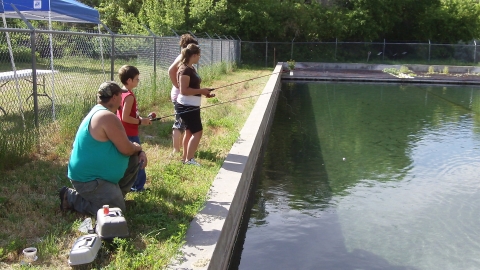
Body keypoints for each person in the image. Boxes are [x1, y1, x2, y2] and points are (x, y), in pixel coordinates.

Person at [59, 81, 148, 215]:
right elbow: (127, 149)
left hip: (96, 176)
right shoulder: (106, 117)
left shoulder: (100, 112)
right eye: (120, 96)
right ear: (114, 97)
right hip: (88, 180)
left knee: (134, 158)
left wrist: (138, 151)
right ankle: (71, 198)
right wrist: (138, 148)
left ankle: (115, 197)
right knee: (115, 212)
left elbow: (124, 144)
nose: (121, 100)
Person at [176, 44, 215, 166]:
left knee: (189, 132)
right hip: (187, 106)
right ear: (193, 55)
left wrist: (205, 93)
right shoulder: (185, 70)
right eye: (199, 55)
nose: (199, 57)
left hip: (192, 105)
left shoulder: (191, 68)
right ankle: (190, 159)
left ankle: (185, 158)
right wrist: (201, 91)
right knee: (197, 132)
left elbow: (193, 88)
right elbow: (184, 90)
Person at [117, 65, 152, 192]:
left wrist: (141, 118)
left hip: (122, 132)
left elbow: (127, 115)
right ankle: (138, 186)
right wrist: (140, 122)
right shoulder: (129, 96)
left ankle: (128, 184)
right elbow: (125, 117)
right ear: (129, 80)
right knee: (139, 158)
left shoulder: (120, 93)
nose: (138, 81)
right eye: (136, 78)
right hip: (130, 133)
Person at [168, 34, 199, 157]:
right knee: (179, 123)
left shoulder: (187, 60)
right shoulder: (182, 56)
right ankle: (176, 150)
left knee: (186, 124)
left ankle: (184, 148)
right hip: (179, 96)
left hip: (185, 96)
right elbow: (171, 70)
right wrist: (177, 85)